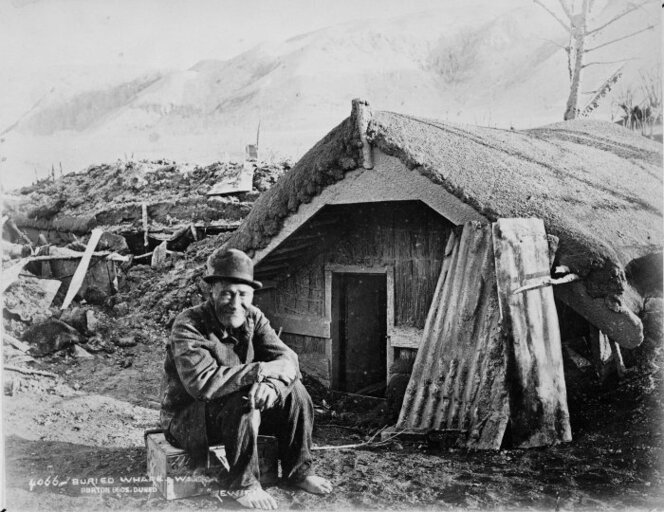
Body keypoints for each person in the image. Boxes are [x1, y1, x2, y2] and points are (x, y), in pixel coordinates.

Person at [160, 248, 332, 509]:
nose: (235, 302)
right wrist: (260, 371)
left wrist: (272, 386)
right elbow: (203, 383)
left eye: (243, 294)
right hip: (189, 418)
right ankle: (244, 484)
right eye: (227, 293)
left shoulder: (254, 317)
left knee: (296, 393)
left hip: (236, 417)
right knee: (244, 399)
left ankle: (299, 472)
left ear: (252, 294)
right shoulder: (189, 324)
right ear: (212, 291)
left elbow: (288, 361)